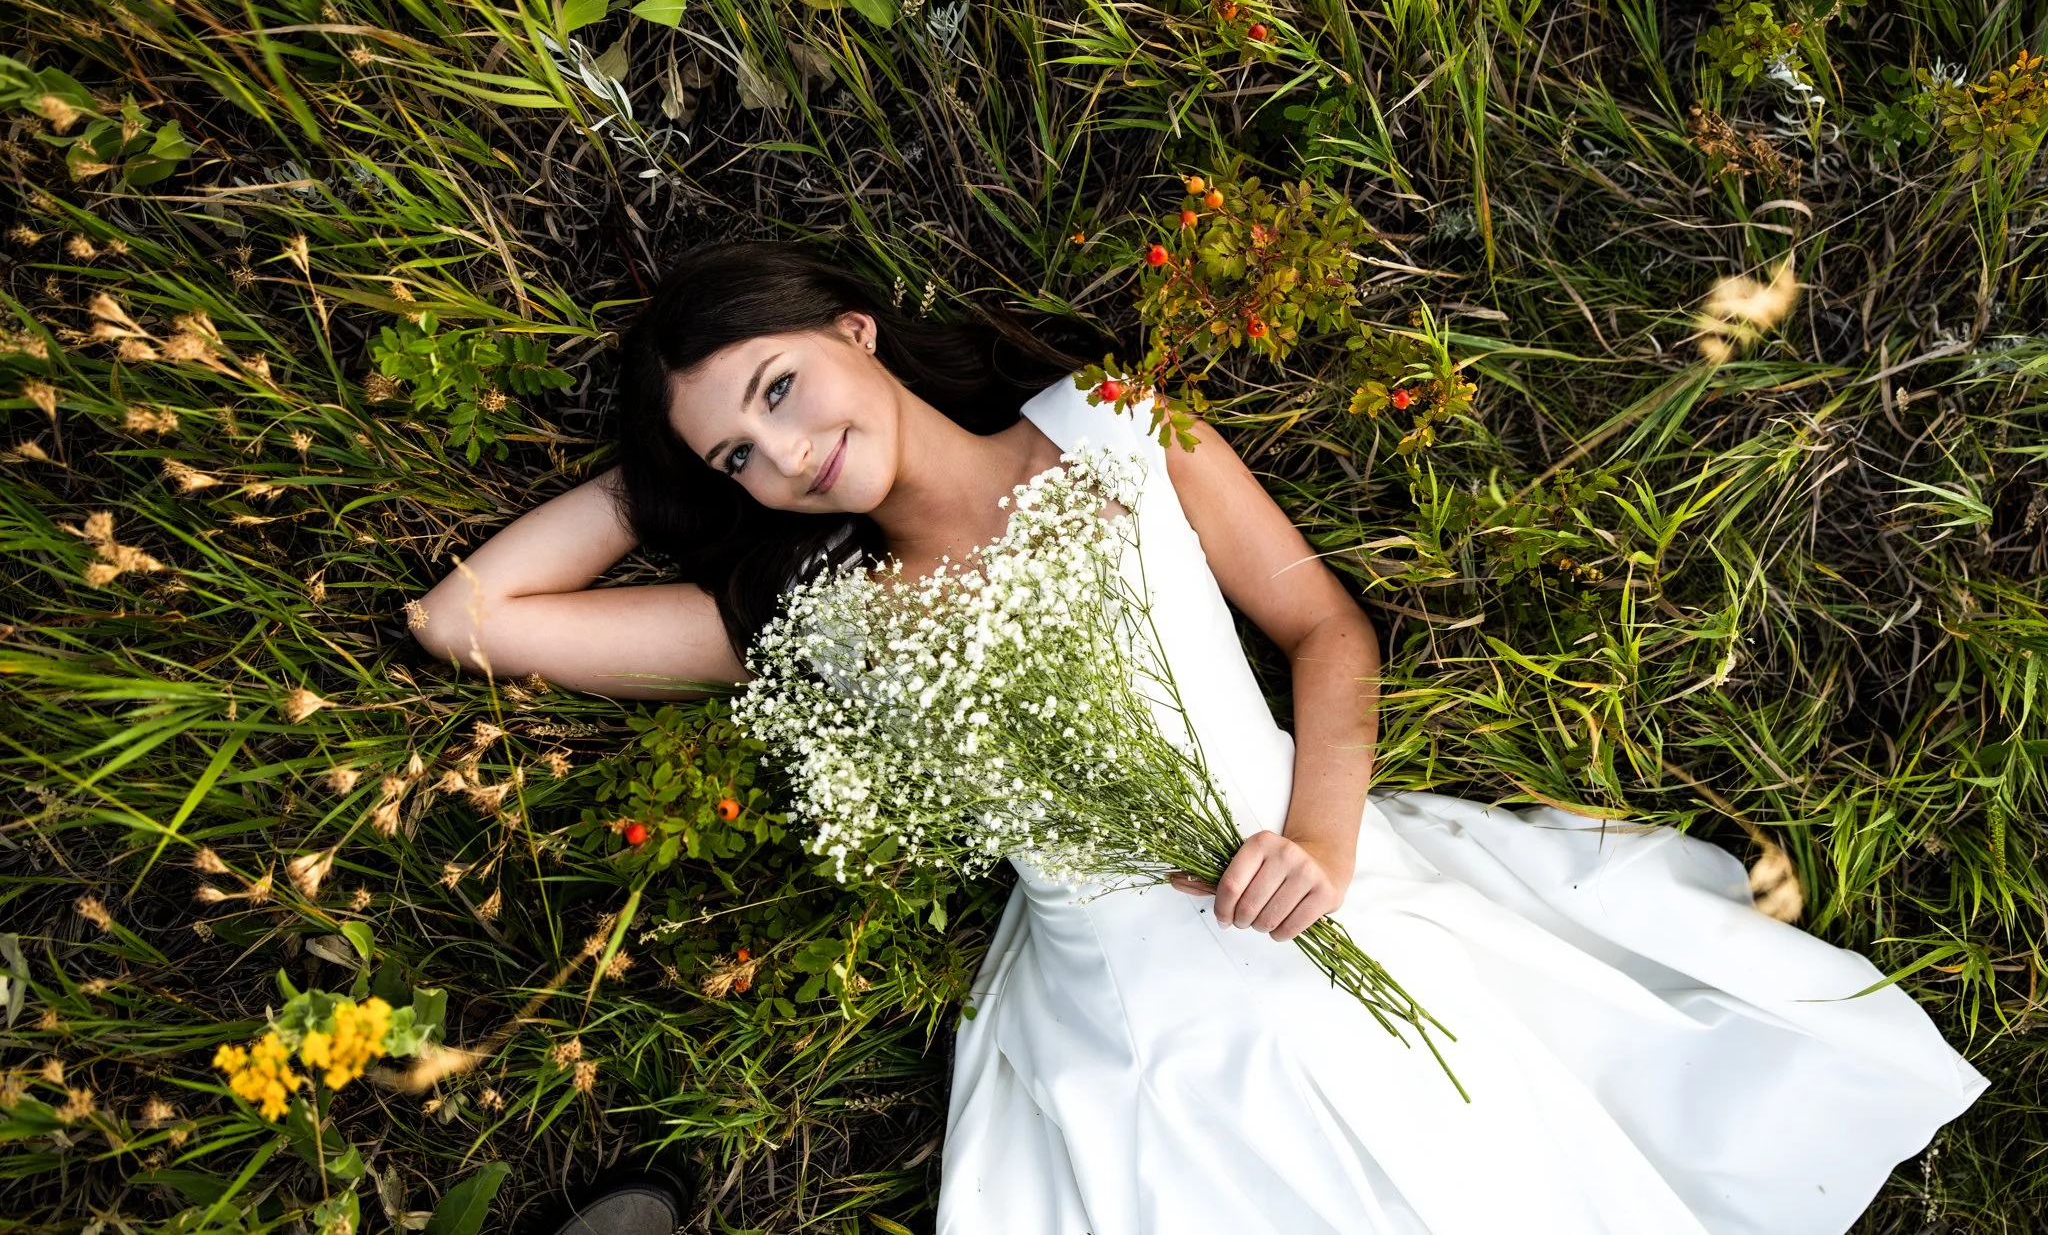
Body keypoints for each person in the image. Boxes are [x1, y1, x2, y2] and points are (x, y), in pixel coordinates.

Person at [413, 239, 1990, 1235]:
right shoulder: (812, 612)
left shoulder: (1110, 421)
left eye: (781, 386)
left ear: (858, 329)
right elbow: (467, 621)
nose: (787, 447)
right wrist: (665, 476)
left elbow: (1323, 631)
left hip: (1315, 865)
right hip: (1115, 997)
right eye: (743, 454)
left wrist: (1321, 837)